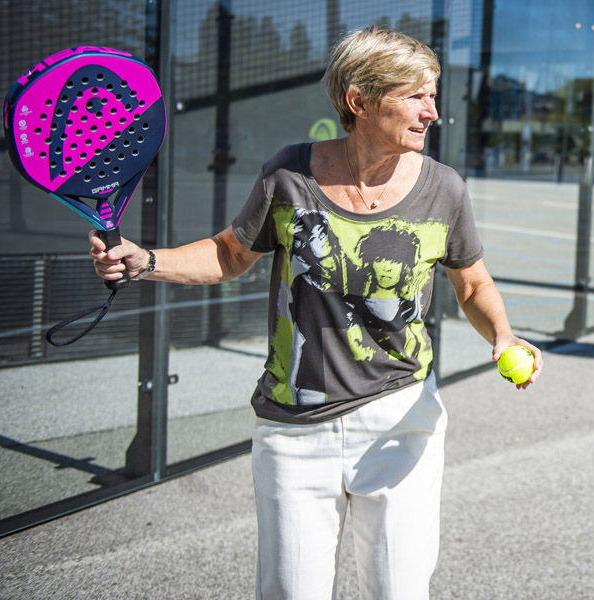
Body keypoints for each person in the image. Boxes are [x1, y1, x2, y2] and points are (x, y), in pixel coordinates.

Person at [89, 25, 543, 599]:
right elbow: (231, 254)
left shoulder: (444, 189)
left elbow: (473, 284)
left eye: (434, 94)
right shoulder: (290, 174)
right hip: (294, 430)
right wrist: (145, 260)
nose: (432, 112)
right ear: (359, 101)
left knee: (399, 591)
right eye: (415, 95)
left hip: (402, 420)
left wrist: (502, 336)